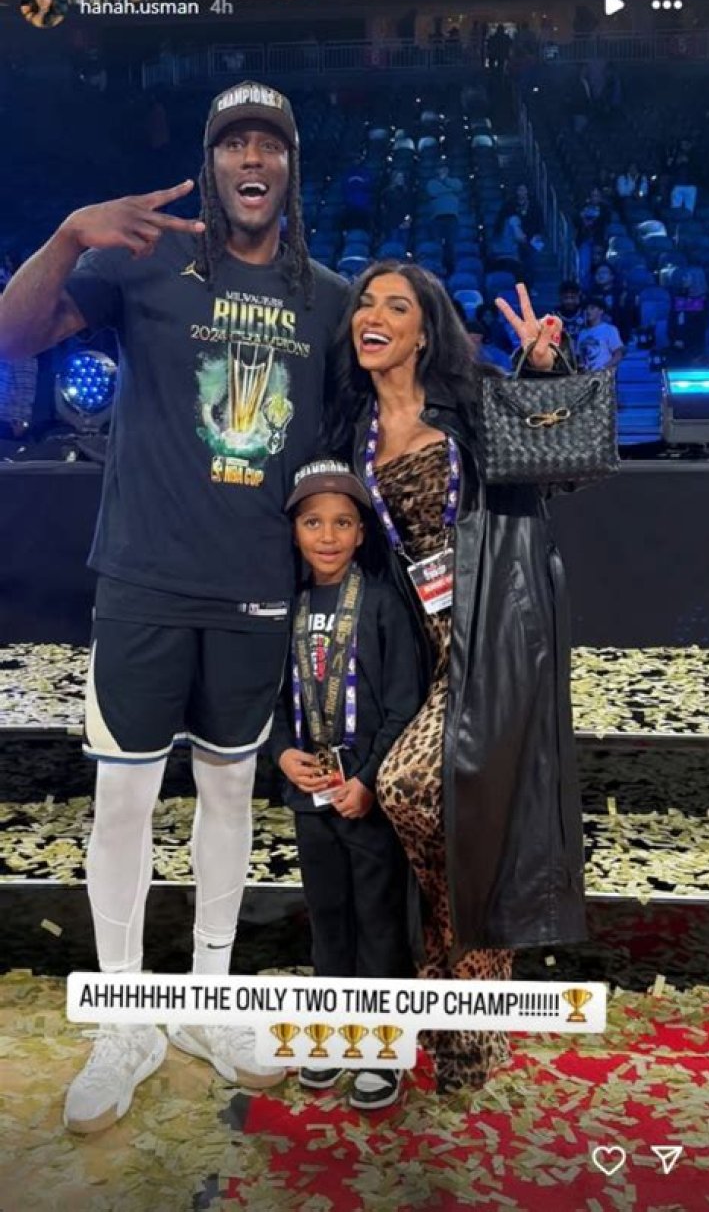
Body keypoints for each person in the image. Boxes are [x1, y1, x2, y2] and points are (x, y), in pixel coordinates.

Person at [0, 82, 350, 1131]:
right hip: (144, 579)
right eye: (234, 142)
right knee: (123, 802)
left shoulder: (326, 297)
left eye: (269, 144)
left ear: (290, 166)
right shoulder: (142, 261)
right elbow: (13, 336)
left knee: (232, 794)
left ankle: (205, 996)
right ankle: (123, 1019)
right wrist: (69, 235)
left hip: (255, 588)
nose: (252, 159)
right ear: (210, 162)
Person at [324, 263, 586, 1093]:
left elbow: (561, 461)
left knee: (410, 787)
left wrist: (543, 369)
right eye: (365, 302)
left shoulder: (469, 399)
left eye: (395, 305)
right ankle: (459, 994)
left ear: (424, 331)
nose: (374, 315)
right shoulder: (351, 426)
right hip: (419, 640)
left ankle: (464, 982)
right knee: (453, 818)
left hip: (498, 626)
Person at [270, 459, 422, 1109]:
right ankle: (332, 1033)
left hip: (367, 798)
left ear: (361, 532)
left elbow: (405, 703)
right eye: (313, 522)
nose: (327, 536)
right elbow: (269, 698)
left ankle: (382, 1045)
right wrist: (282, 753)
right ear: (294, 530)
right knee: (328, 918)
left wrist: (367, 779)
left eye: (341, 523)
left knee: (378, 920)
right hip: (311, 797)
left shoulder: (383, 605)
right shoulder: (286, 606)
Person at [577, 297, 624, 370]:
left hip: (604, 374)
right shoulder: (582, 333)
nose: (588, 311)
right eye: (586, 309)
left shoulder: (609, 330)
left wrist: (603, 368)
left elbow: (618, 355)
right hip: (586, 375)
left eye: (592, 308)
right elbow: (580, 357)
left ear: (601, 311)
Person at [554, 279, 585, 348]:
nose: (569, 301)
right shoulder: (554, 315)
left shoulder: (586, 314)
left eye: (572, 297)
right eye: (566, 298)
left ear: (578, 297)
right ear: (561, 298)